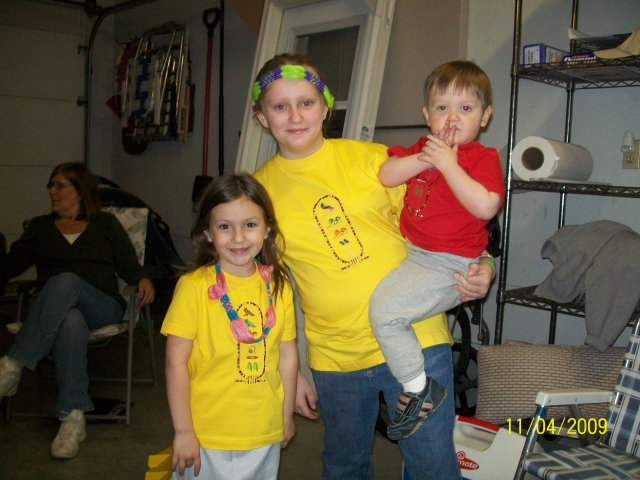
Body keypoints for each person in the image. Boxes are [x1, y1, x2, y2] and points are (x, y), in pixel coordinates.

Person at [251, 53, 494, 480]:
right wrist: (286, 370)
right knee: (344, 466)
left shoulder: (375, 159)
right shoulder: (257, 195)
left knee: (433, 468)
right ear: (261, 116)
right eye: (280, 105)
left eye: (306, 103)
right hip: (334, 358)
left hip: (417, 339)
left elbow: (455, 221)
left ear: (326, 107)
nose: (295, 116)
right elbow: (264, 289)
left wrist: (485, 264)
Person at [369, 60, 505, 441]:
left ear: (485, 116)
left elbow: (485, 206)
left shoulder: (481, 158)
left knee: (386, 313)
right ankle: (414, 385)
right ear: (427, 114)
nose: (453, 118)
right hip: (417, 255)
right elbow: (386, 174)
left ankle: (417, 388)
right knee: (385, 307)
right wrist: (427, 157)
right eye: (442, 108)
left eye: (466, 108)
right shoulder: (423, 148)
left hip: (450, 263)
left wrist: (449, 165)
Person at [0, 162, 155, 459]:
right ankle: (73, 418)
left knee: (67, 281)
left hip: (102, 305)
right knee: (70, 320)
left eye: (60, 185)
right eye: (51, 185)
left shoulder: (105, 224)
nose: (52, 191)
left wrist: (143, 278)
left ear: (80, 191)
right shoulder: (39, 227)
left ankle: (12, 365)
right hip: (51, 309)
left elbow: (128, 264)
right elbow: (10, 267)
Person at [161, 174, 297, 480]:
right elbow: (175, 362)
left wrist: (285, 416)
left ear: (268, 229)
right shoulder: (193, 287)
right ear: (208, 233)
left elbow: (287, 356)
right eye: (225, 227)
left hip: (263, 431)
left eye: (250, 225)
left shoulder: (279, 286)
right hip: (205, 434)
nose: (238, 238)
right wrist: (183, 432)